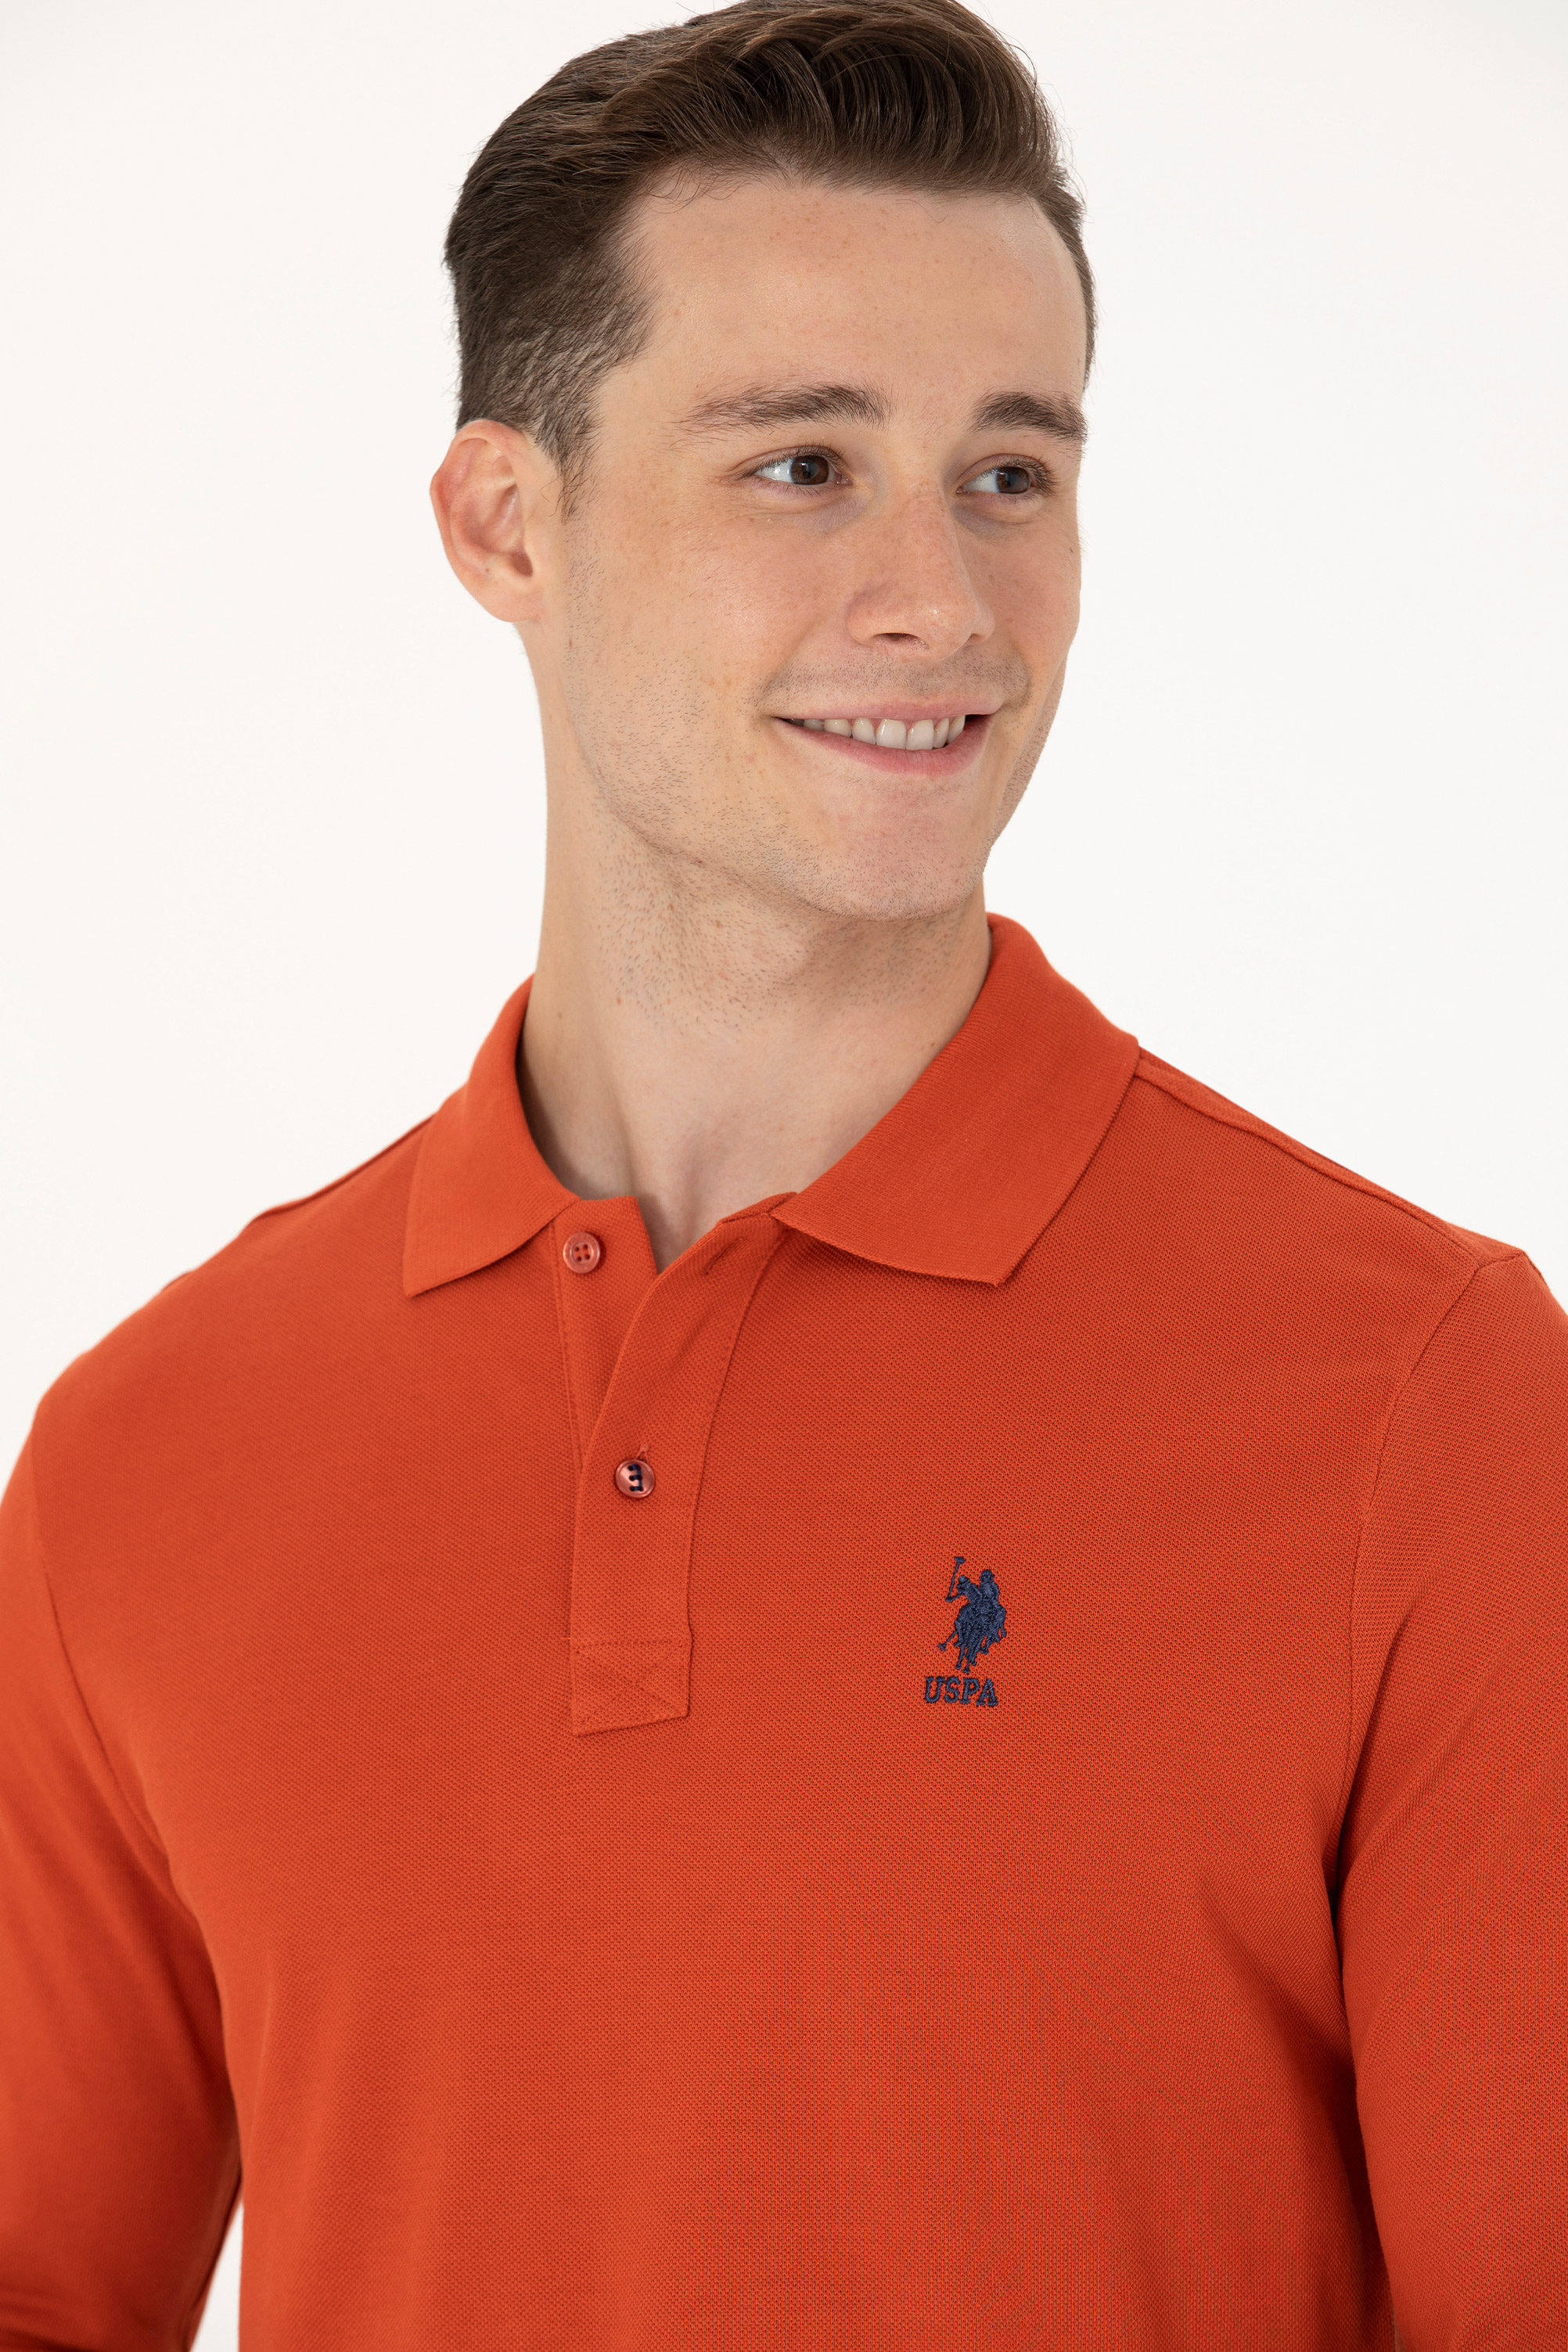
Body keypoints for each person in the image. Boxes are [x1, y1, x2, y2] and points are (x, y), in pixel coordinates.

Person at [1, 2, 1563, 2343]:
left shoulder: (1418, 1399)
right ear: (504, 522)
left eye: (1009, 472)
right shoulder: (154, 1450)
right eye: (803, 465)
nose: (944, 598)